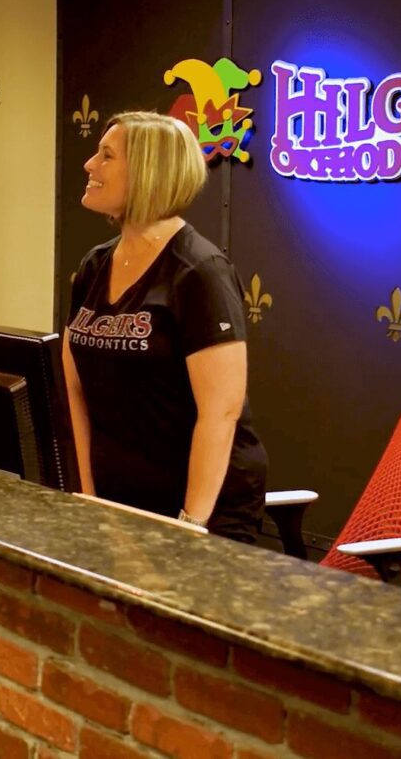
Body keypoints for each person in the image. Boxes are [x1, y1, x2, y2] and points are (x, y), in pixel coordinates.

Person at [63, 111, 267, 543]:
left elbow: (221, 410)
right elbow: (73, 389)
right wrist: (85, 494)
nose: (89, 165)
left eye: (106, 156)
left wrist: (189, 527)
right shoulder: (94, 266)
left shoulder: (199, 271)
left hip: (201, 510)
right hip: (118, 501)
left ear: (147, 173)